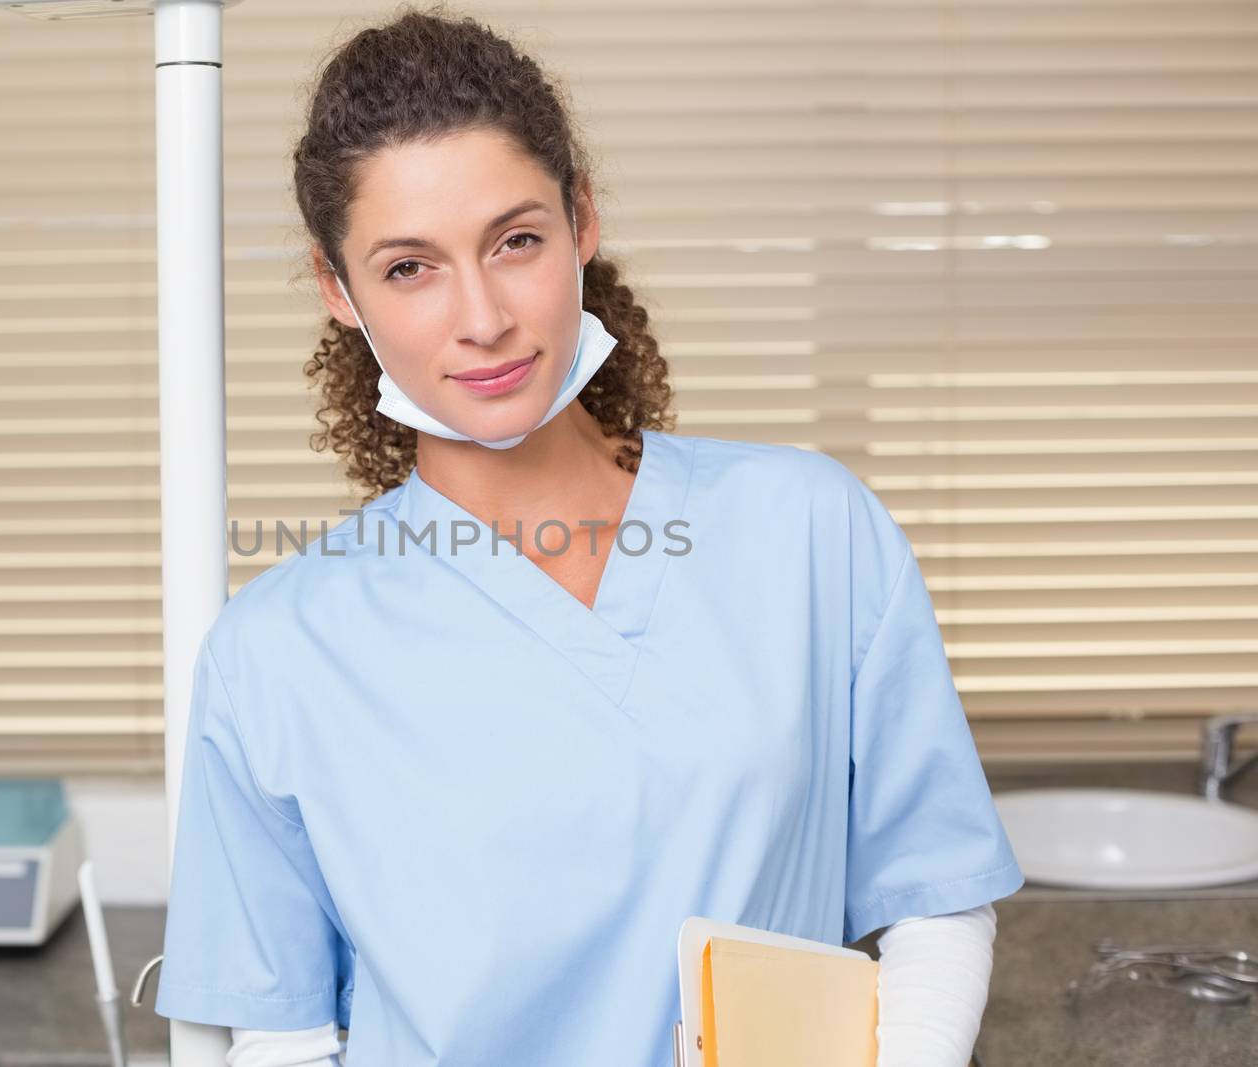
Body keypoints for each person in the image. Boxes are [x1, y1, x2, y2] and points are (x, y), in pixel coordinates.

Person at [154, 6, 1023, 1066]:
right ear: (340, 292)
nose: (481, 317)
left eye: (515, 241)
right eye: (408, 267)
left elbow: (934, 894)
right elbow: (283, 1040)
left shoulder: (809, 529)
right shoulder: (274, 653)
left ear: (582, 223)